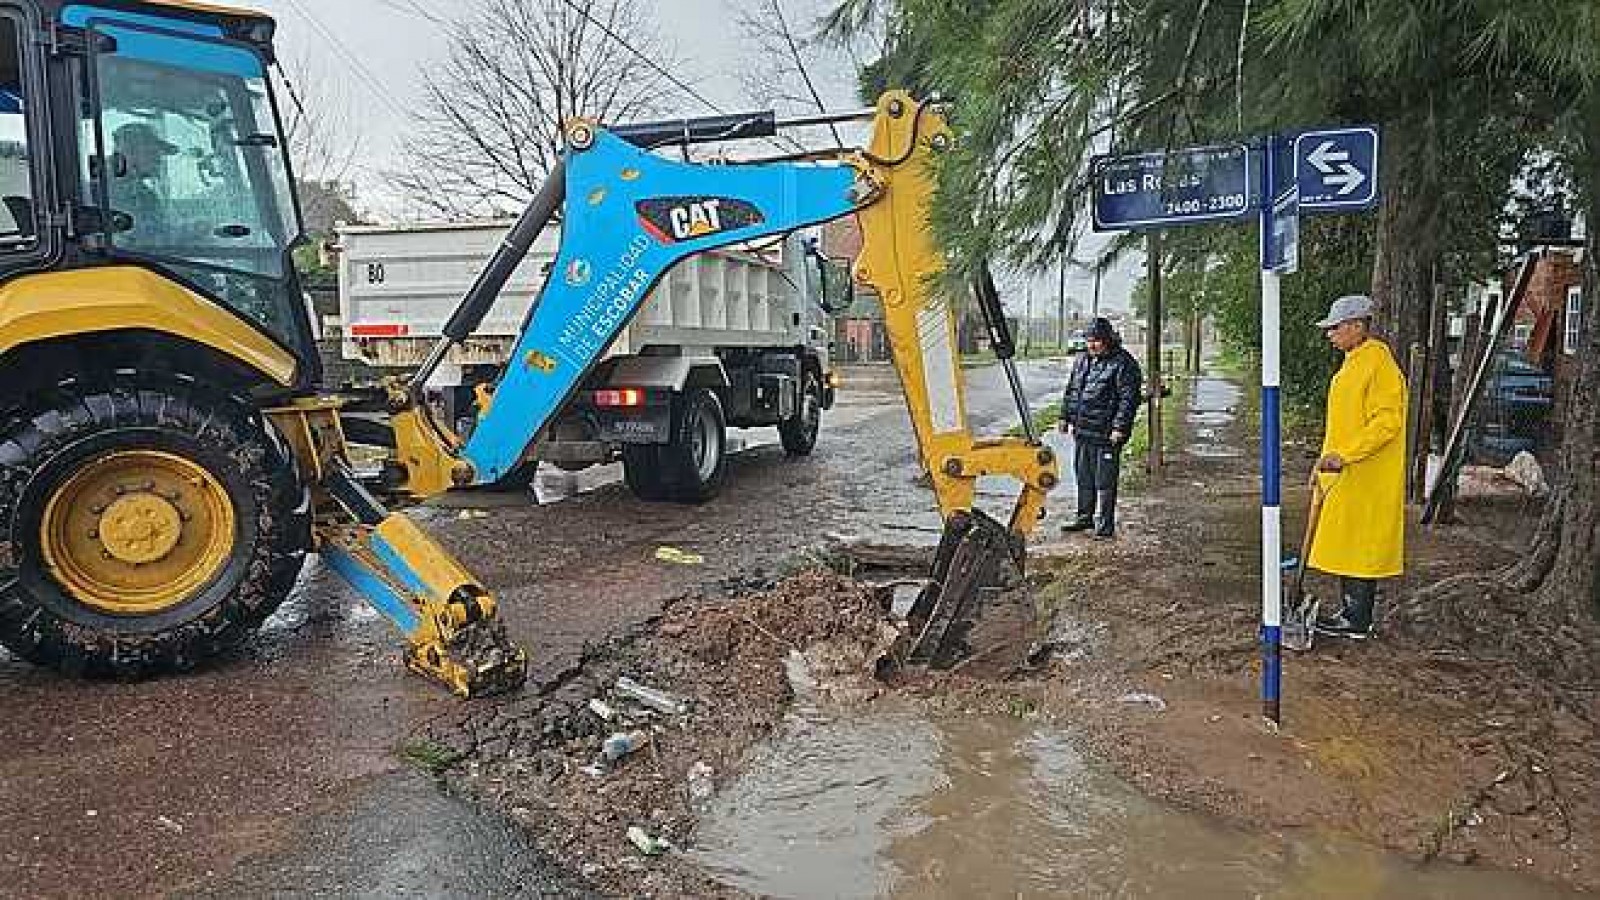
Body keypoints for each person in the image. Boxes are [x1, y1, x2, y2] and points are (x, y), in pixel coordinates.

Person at [1307, 294, 1407, 639]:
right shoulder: (1354, 362)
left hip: (1367, 473)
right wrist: (1324, 463)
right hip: (1345, 471)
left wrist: (1345, 454)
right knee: (1348, 542)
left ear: (1355, 326)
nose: (1329, 334)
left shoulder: (1378, 363)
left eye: (1335, 328)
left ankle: (1357, 619)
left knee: (1362, 544)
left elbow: (1387, 422)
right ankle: (1350, 614)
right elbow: (1342, 422)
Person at [1058, 317, 1142, 538]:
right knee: (1083, 476)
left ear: (1108, 340)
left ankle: (1105, 527)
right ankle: (1084, 518)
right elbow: (1072, 390)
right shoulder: (1082, 360)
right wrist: (1064, 416)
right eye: (1089, 340)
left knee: (1104, 481)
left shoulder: (1123, 363)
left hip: (1106, 434)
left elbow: (1128, 399)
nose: (1092, 345)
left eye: (1096, 340)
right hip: (1083, 430)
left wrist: (1120, 428)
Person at [108, 122, 177, 238]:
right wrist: (188, 232)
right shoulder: (103, 193)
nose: (160, 160)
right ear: (130, 151)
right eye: (153, 152)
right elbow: (133, 238)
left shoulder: (146, 196)